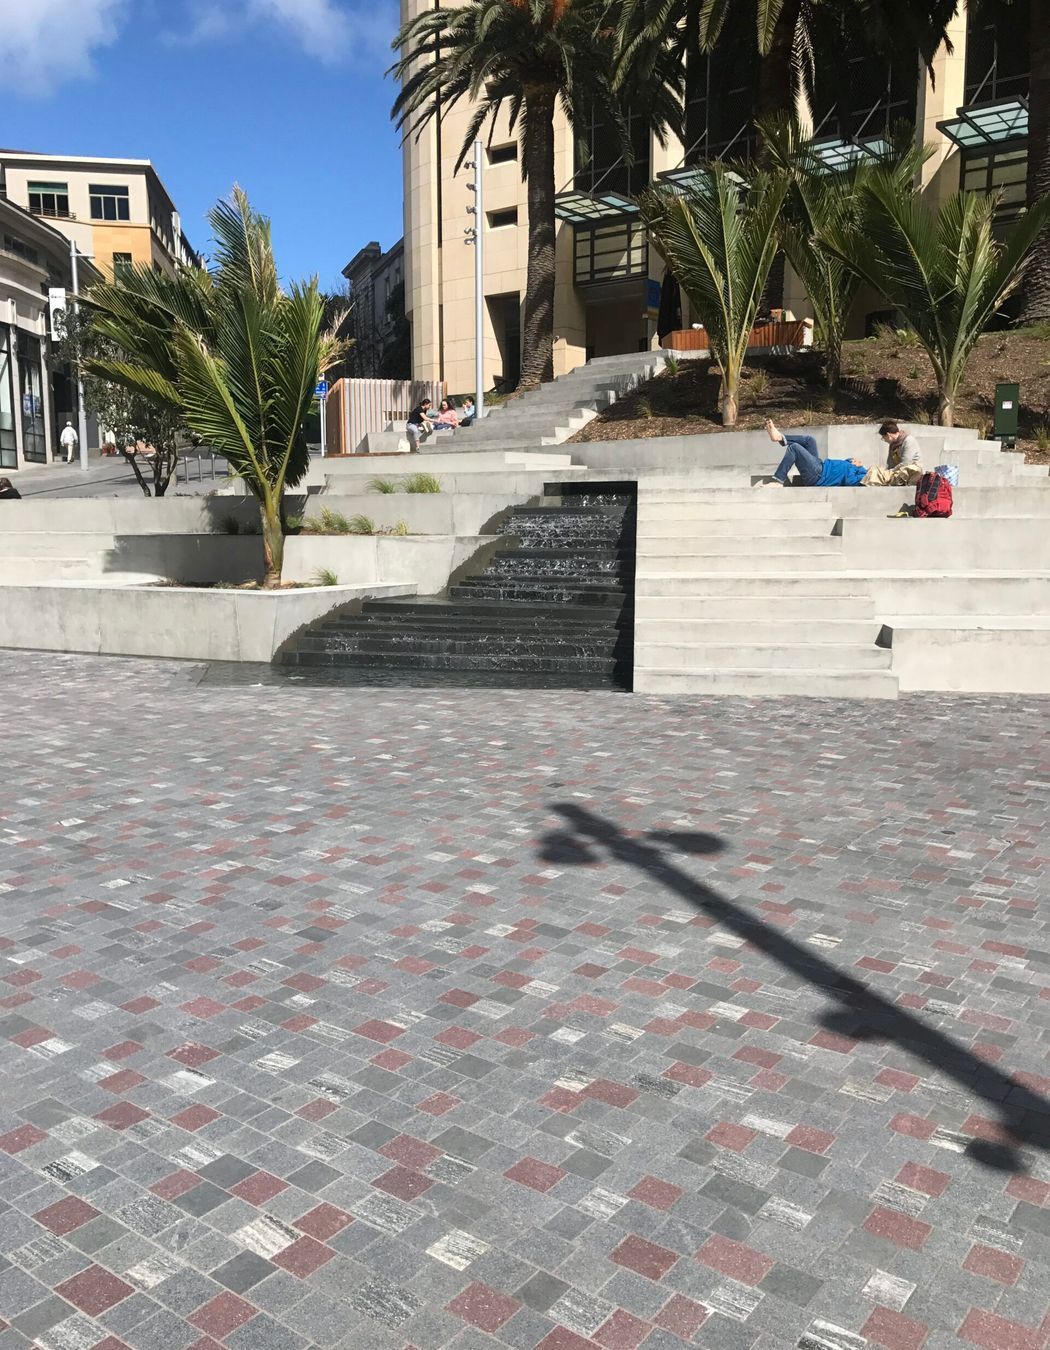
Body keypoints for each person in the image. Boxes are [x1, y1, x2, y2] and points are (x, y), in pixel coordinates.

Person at [757, 420, 868, 487]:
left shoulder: (862, 477)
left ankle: (778, 480)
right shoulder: (861, 469)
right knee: (810, 440)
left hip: (818, 476)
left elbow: (849, 481)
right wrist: (853, 462)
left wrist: (859, 470)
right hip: (820, 466)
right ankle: (780, 438)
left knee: (794, 448)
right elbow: (846, 464)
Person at [857, 419, 923, 487]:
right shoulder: (892, 445)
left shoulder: (908, 440)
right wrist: (887, 472)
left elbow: (906, 462)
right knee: (874, 470)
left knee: (906, 470)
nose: (884, 440)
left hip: (910, 471)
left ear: (888, 435)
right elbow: (890, 464)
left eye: (883, 437)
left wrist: (890, 472)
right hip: (896, 472)